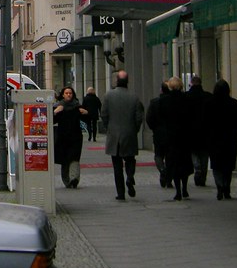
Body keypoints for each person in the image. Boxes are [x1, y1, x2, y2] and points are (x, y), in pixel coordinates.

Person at [100, 70, 145, 200]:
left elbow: (104, 114)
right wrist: (134, 129)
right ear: (127, 81)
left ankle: (120, 193)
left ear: (116, 81)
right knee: (130, 160)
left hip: (114, 135)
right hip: (129, 134)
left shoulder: (108, 96)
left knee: (117, 165)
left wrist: (108, 127)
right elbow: (139, 117)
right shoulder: (134, 97)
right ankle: (130, 177)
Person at [205, 79, 237, 200]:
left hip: (214, 139)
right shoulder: (234, 103)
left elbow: (206, 122)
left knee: (216, 165)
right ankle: (226, 186)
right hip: (229, 139)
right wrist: (235, 133)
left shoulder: (210, 103)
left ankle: (219, 185)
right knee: (228, 165)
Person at [162, 76, 193, 201]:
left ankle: (178, 191)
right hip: (184, 136)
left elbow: (162, 118)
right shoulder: (187, 99)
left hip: (171, 137)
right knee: (184, 162)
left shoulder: (166, 100)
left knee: (174, 163)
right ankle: (185, 187)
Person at [53, 86, 89, 188]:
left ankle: (74, 179)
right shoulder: (59, 106)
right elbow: (50, 120)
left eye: (70, 93)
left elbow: (86, 119)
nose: (69, 95)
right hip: (62, 137)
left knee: (74, 158)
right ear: (63, 95)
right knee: (64, 160)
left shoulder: (77, 106)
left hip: (76, 137)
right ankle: (67, 181)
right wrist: (55, 112)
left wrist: (86, 113)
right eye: (66, 93)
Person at [186, 75, 212, 186]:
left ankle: (197, 169)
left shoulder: (186, 97)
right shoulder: (208, 97)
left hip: (191, 131)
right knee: (204, 155)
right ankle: (203, 175)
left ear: (190, 83)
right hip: (206, 131)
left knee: (194, 153)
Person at [146, 81, 172, 188]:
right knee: (170, 157)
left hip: (159, 133)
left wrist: (154, 128)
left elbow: (149, 119)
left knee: (158, 155)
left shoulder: (154, 102)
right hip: (171, 133)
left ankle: (162, 170)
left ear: (161, 90)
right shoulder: (173, 102)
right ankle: (169, 178)